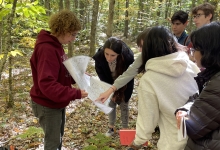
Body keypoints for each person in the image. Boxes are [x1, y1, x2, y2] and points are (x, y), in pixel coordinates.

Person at [127, 26, 200, 150]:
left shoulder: (149, 80)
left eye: (141, 47)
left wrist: (136, 143)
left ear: (148, 49)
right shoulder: (190, 65)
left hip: (174, 143)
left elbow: (147, 120)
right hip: (202, 138)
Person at [30, 10, 88, 150]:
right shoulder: (47, 49)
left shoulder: (57, 46)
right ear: (63, 30)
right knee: (52, 143)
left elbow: (60, 71)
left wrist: (79, 75)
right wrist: (76, 93)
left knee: (58, 139)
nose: (74, 38)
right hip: (47, 104)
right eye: (72, 34)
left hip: (56, 102)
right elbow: (47, 84)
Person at [96, 29, 188, 103]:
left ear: (155, 46)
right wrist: (111, 90)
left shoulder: (182, 64)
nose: (140, 51)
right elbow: (129, 73)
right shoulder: (145, 57)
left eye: (143, 47)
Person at [175, 21, 220, 150]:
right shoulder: (213, 76)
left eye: (195, 49)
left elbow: (192, 126)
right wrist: (188, 107)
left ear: (209, 50)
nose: (192, 54)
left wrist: (183, 111)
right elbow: (201, 99)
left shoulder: (217, 84)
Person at [92, 37, 134, 136]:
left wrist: (120, 92)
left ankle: (125, 129)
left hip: (125, 84)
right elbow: (102, 77)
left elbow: (128, 77)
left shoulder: (127, 58)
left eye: (113, 55)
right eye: (106, 54)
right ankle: (111, 127)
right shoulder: (99, 58)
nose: (109, 58)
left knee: (124, 105)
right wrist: (111, 92)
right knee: (111, 104)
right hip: (108, 84)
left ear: (119, 54)